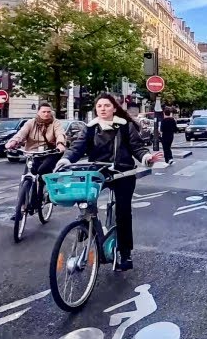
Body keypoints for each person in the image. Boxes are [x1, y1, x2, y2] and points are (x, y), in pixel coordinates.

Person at [57, 94, 157, 271]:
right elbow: (77, 148)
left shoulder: (125, 126)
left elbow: (137, 147)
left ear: (114, 108)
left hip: (123, 172)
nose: (102, 109)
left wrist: (147, 157)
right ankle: (85, 224)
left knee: (123, 212)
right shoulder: (90, 128)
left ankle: (125, 254)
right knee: (85, 199)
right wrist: (66, 160)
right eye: (99, 106)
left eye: (106, 105)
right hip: (99, 172)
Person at [5, 102, 67, 221]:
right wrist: (13, 142)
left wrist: (60, 144)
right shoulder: (30, 123)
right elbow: (21, 133)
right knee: (26, 178)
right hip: (33, 153)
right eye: (43, 111)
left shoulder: (55, 123)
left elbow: (60, 134)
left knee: (42, 171)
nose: (46, 114)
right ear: (38, 112)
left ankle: (45, 195)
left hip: (51, 153)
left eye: (48, 112)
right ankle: (21, 208)